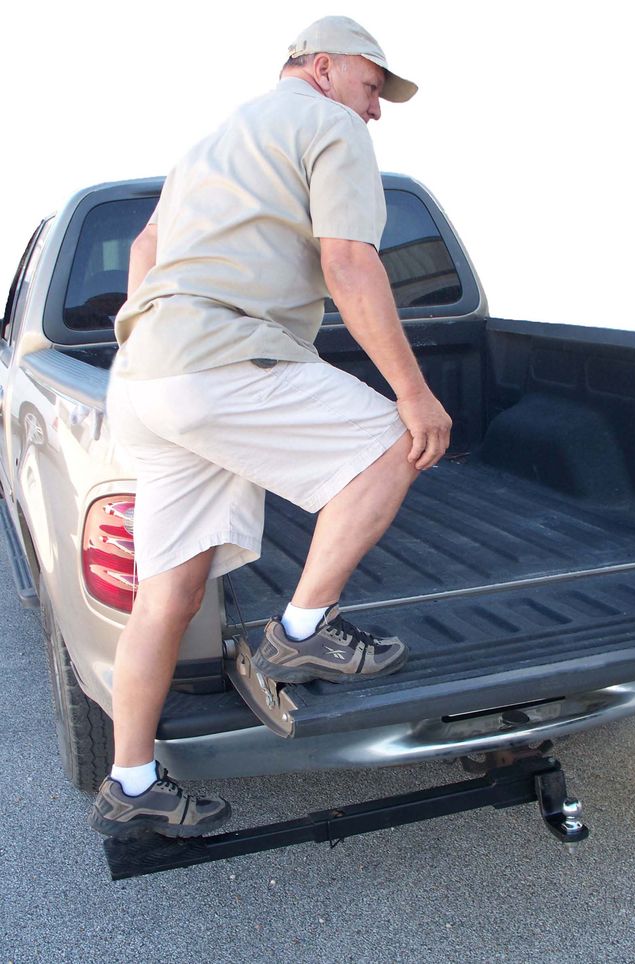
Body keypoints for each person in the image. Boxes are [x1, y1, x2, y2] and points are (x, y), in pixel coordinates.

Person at [89, 15, 451, 840]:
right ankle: (301, 632)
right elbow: (348, 262)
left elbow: (146, 245)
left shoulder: (212, 143)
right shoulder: (327, 125)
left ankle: (133, 784)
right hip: (220, 359)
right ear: (322, 69)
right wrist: (413, 391)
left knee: (169, 593)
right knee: (396, 439)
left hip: (147, 375)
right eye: (371, 86)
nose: (377, 110)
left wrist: (149, 328)